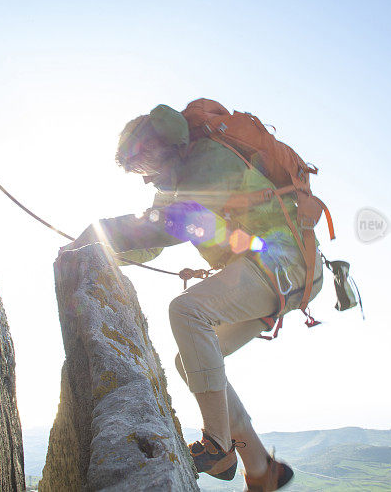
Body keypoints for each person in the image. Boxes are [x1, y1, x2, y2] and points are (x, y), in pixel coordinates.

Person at [67, 101, 324, 491]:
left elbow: (174, 224)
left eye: (148, 170)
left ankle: (218, 445)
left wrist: (103, 231)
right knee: (192, 362)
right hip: (272, 272)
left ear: (168, 150)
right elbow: (153, 238)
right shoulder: (173, 181)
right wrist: (101, 252)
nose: (146, 182)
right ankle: (260, 469)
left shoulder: (208, 161)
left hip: (283, 265)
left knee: (187, 313)